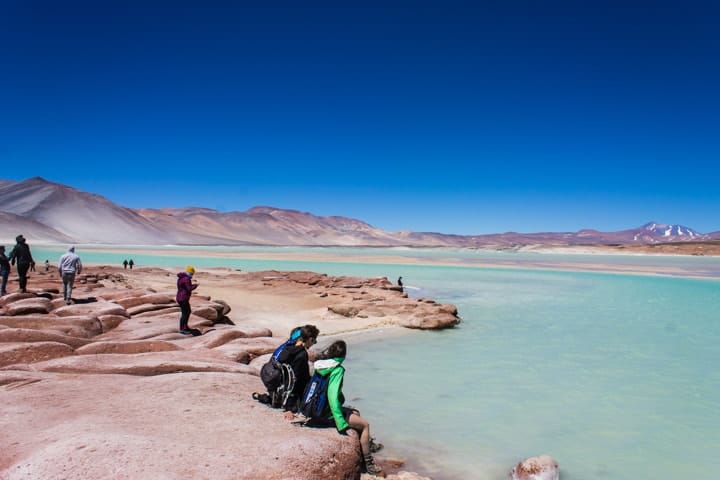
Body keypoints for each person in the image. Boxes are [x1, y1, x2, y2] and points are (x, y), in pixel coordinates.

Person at [308, 340, 385, 476]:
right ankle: (369, 464)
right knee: (365, 425)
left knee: (355, 412)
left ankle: (368, 445)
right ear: (343, 355)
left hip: (314, 409)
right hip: (325, 413)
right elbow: (332, 396)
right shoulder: (337, 369)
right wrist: (340, 422)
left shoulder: (320, 365)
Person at [275, 325, 319, 411]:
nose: (314, 343)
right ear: (310, 339)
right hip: (293, 395)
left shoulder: (287, 348)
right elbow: (296, 379)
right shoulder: (302, 354)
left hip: (281, 388)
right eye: (314, 341)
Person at [176, 265, 198, 334]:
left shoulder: (181, 278)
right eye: (191, 273)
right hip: (183, 298)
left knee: (186, 312)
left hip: (180, 297)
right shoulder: (186, 279)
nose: (192, 275)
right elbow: (189, 288)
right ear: (189, 272)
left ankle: (184, 327)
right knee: (186, 313)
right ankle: (183, 329)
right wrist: (195, 286)